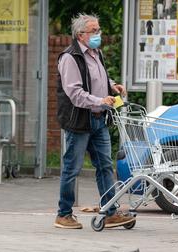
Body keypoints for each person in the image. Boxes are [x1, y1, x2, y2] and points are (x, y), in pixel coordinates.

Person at [55, 13, 135, 229]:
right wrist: (100, 100)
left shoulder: (95, 52)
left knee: (105, 166)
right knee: (72, 168)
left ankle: (109, 212)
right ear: (81, 35)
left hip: (99, 119)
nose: (98, 34)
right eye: (94, 31)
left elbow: (98, 77)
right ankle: (63, 214)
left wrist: (112, 85)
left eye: (98, 30)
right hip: (80, 120)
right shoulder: (70, 57)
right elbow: (75, 93)